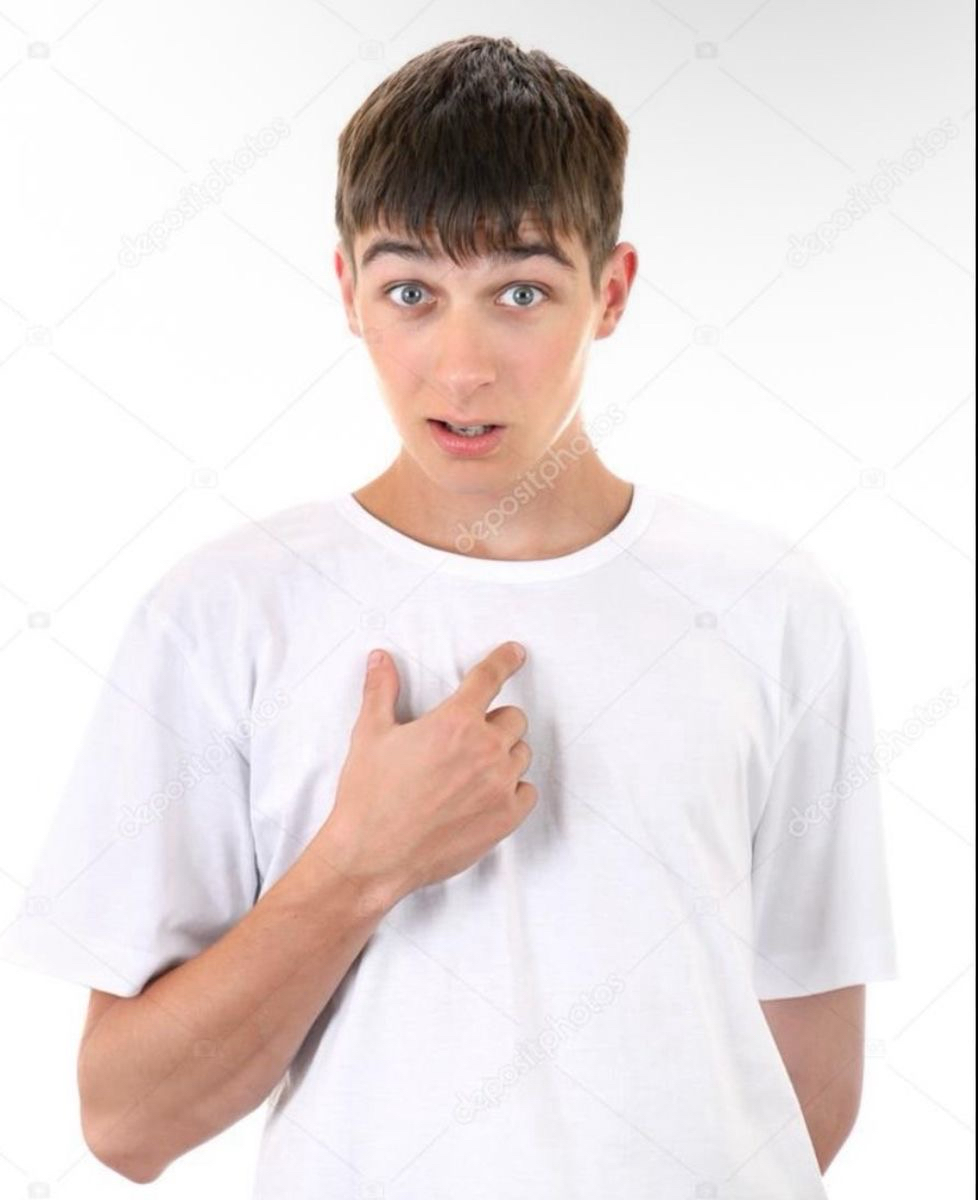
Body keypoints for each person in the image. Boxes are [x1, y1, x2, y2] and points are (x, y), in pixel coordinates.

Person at [0, 34, 898, 1199]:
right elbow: (129, 1121)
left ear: (612, 292)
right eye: (411, 293)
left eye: (520, 293)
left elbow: (804, 1092)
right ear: (348, 293)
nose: (462, 367)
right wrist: (360, 865)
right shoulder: (221, 614)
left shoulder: (775, 607)